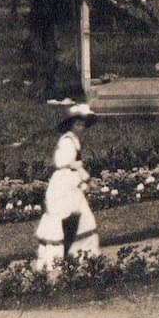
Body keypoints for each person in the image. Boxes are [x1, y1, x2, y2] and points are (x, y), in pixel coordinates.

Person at [34, 103, 101, 270]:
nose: (80, 127)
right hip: (63, 185)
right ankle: (59, 258)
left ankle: (79, 256)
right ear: (71, 125)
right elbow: (65, 164)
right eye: (77, 124)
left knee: (80, 218)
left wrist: (86, 179)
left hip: (70, 183)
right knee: (62, 218)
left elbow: (76, 166)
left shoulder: (74, 140)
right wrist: (83, 182)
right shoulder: (67, 141)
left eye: (82, 124)